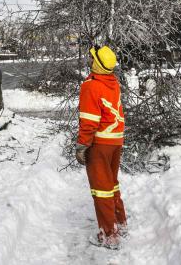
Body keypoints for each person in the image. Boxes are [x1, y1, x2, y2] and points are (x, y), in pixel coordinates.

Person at [75, 44, 127, 249]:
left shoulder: (90, 86)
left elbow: (89, 120)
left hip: (100, 144)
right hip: (116, 141)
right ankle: (120, 223)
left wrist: (82, 145)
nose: (90, 60)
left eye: (92, 59)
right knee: (112, 184)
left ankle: (109, 236)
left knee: (101, 190)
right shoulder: (113, 82)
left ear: (97, 63)